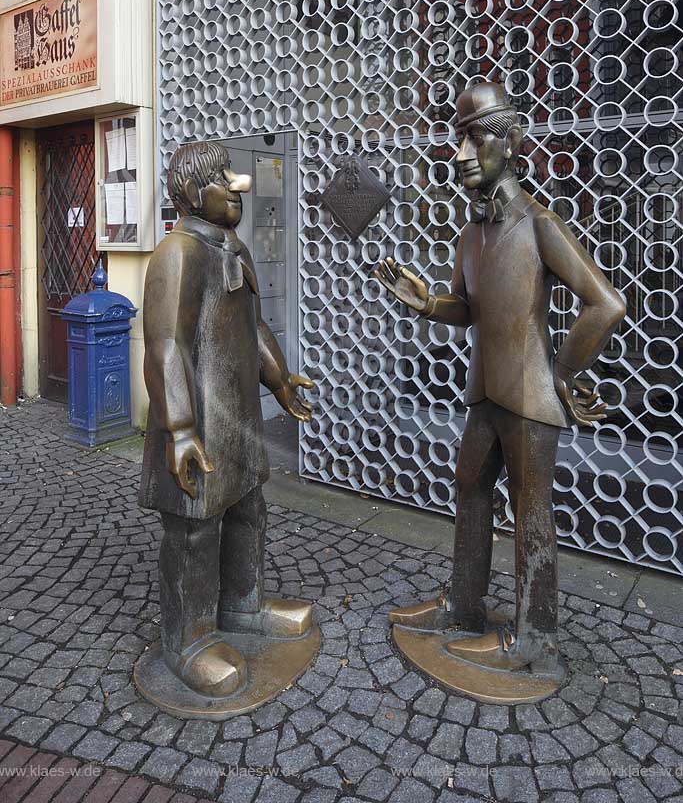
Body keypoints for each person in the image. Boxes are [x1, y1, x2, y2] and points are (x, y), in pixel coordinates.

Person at [375, 82, 626, 675]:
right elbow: (469, 310)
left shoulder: (540, 225)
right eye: (456, 138)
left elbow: (605, 304)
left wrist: (562, 374)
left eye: (473, 137)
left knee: (530, 510)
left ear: (509, 144)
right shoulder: (472, 234)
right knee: (469, 485)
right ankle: (464, 606)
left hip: (530, 397)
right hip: (486, 392)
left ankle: (534, 636)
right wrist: (429, 303)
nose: (459, 153)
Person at [140, 140, 315, 697]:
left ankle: (243, 604)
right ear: (192, 193)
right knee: (195, 529)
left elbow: (252, 327)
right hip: (199, 425)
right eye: (222, 178)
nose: (236, 186)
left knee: (247, 509)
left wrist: (280, 379)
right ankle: (186, 640)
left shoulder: (233, 248)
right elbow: (165, 346)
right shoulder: (178, 253)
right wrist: (181, 429)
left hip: (238, 417)